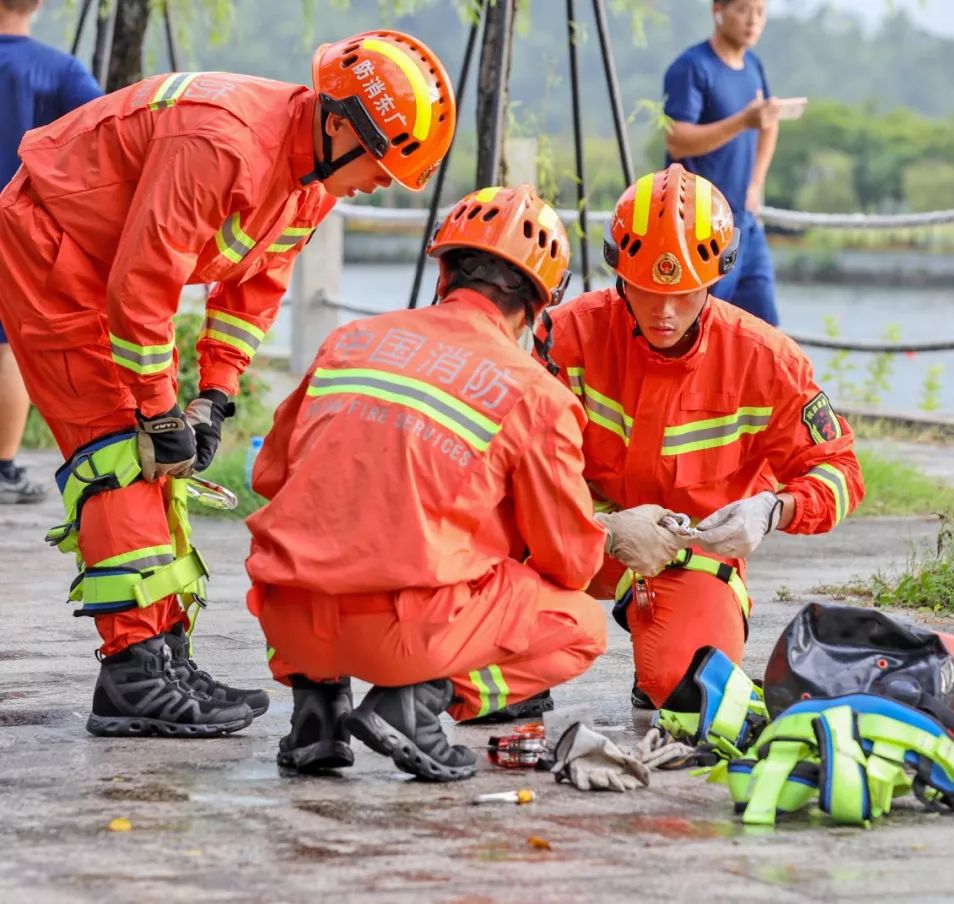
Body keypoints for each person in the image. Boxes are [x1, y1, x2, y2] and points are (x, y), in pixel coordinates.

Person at [0, 29, 456, 738]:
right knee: (119, 449)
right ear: (339, 124)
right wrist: (156, 411)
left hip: (104, 261)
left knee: (154, 457)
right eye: (378, 163)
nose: (379, 183)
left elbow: (251, 296)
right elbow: (143, 287)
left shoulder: (311, 182)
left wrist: (211, 397)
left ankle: (162, 655)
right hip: (51, 246)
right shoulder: (224, 143)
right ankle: (133, 674)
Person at [245, 184, 677, 779]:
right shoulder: (534, 393)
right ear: (536, 305)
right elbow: (571, 563)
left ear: (444, 272)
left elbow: (271, 475)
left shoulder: (348, 342)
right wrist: (613, 531)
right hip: (398, 635)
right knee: (578, 627)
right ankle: (418, 705)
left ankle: (317, 713)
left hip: (286, 621)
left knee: (321, 541)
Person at [547, 163, 865, 712]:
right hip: (569, 539)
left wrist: (773, 510)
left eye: (685, 293)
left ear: (717, 278)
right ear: (618, 272)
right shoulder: (564, 337)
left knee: (689, 691)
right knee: (486, 624)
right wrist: (599, 529)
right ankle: (512, 665)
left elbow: (841, 473)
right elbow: (494, 465)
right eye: (646, 290)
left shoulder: (764, 360)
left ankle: (663, 639)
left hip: (689, 555)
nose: (665, 311)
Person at [0, 0, 101, 503]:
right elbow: (105, 136)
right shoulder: (60, 70)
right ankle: (3, 469)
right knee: (7, 347)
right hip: (21, 228)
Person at [663, 0, 781, 325]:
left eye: (760, 12)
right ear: (718, 10)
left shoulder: (753, 65)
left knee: (764, 330)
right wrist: (742, 121)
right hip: (700, 225)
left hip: (746, 222)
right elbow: (676, 139)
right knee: (700, 327)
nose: (752, 21)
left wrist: (756, 183)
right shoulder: (692, 67)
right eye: (743, 10)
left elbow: (770, 122)